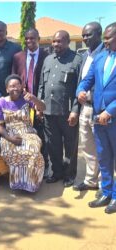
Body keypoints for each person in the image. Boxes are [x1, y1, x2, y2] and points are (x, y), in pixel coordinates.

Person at [77, 22, 116, 214]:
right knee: (104, 157)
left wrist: (110, 110)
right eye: (105, 38)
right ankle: (107, 192)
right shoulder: (100, 58)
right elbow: (86, 80)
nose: (105, 42)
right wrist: (81, 91)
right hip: (98, 118)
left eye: (109, 38)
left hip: (112, 117)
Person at [38, 30, 82, 187]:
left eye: (59, 41)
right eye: (54, 41)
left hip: (67, 112)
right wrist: (39, 106)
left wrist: (75, 111)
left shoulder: (77, 60)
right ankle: (57, 172)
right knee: (53, 144)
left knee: (70, 145)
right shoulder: (48, 59)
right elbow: (42, 85)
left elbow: (80, 88)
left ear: (68, 41)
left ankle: (69, 175)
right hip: (48, 111)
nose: (55, 44)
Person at [0, 74, 46, 192]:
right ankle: (18, 182)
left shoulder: (27, 99)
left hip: (28, 132)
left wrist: (34, 99)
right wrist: (10, 138)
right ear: (7, 89)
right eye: (11, 86)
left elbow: (43, 108)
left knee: (32, 149)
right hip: (9, 135)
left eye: (17, 85)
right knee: (13, 150)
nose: (15, 88)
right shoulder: (1, 102)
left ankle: (31, 183)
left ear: (22, 86)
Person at [11, 28, 50, 178]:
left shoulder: (47, 56)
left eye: (32, 38)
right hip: (23, 102)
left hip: (40, 101)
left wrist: (39, 104)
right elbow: (14, 78)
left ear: (38, 39)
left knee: (42, 136)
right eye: (26, 39)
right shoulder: (18, 57)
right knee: (27, 135)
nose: (29, 41)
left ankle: (44, 167)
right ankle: (28, 167)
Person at [73, 22, 104, 192]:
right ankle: (91, 180)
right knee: (87, 146)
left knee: (102, 147)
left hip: (100, 109)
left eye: (88, 35)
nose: (85, 38)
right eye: (83, 35)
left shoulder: (105, 54)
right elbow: (82, 81)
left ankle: (103, 183)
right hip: (85, 107)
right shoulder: (85, 56)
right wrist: (79, 93)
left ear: (98, 34)